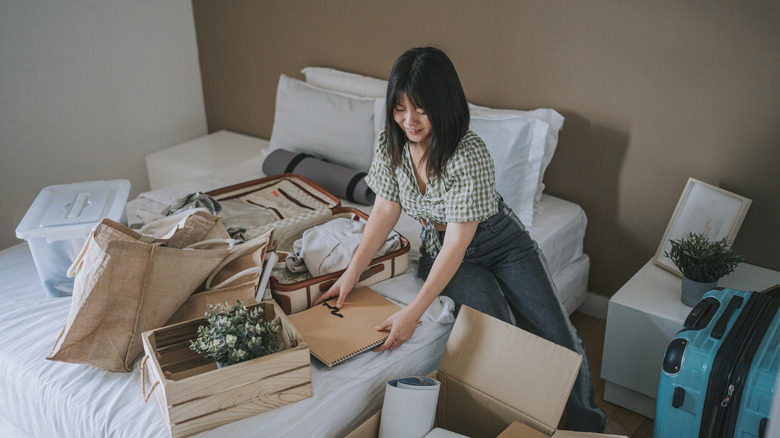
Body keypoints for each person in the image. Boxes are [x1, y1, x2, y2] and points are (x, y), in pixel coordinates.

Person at [313, 46, 623, 435]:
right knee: (501, 333)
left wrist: (412, 315)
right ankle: (522, 425)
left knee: (558, 336)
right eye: (400, 108)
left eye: (421, 109)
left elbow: (459, 242)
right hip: (439, 248)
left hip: (501, 243)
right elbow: (384, 210)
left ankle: (589, 426)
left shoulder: (467, 154)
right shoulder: (390, 143)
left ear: (443, 105)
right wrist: (352, 272)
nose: (409, 120)